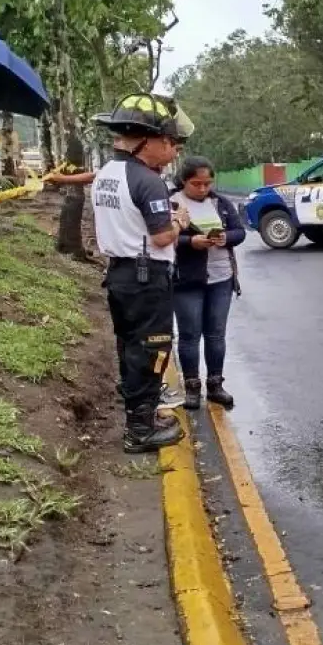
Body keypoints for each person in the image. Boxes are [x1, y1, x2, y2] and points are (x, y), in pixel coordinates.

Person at [89, 93, 195, 454]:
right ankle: (139, 428)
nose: (173, 151)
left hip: (120, 274)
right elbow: (163, 235)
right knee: (152, 349)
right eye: (169, 143)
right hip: (146, 277)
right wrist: (179, 222)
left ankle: (142, 415)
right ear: (147, 141)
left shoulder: (107, 172)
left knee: (130, 347)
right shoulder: (146, 180)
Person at [170, 157, 245, 410]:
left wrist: (226, 237)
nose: (202, 189)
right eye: (196, 184)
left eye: (207, 183)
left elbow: (240, 231)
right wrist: (191, 242)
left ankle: (215, 384)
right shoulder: (172, 202)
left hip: (221, 277)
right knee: (190, 335)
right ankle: (192, 386)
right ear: (183, 181)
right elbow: (160, 237)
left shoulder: (220, 203)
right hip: (187, 279)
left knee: (216, 334)